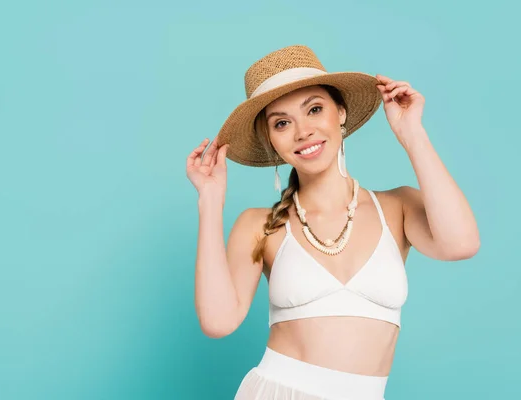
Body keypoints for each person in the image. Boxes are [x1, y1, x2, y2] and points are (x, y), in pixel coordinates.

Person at [186, 45, 480, 400]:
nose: (302, 131)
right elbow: (218, 322)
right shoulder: (260, 225)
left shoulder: (397, 207)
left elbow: (461, 244)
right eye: (281, 122)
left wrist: (411, 134)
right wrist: (210, 199)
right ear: (271, 140)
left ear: (340, 112)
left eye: (314, 109)